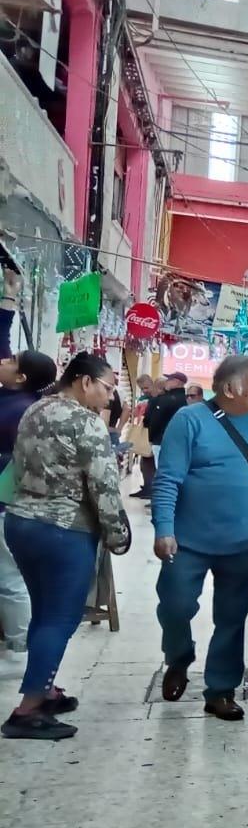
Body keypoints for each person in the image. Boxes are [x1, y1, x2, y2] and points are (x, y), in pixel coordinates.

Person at [2, 353, 130, 740]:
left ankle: (45, 688)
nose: (110, 397)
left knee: (44, 612)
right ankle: (28, 710)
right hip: (64, 530)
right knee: (61, 617)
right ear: (84, 381)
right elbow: (104, 485)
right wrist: (118, 535)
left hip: (21, 521)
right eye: (107, 387)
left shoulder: (33, 410)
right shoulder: (86, 422)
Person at [154, 355, 248, 722]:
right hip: (187, 541)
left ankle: (221, 690)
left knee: (232, 618)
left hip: (241, 542)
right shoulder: (189, 420)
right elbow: (167, 479)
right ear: (229, 388)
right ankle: (178, 657)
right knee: (175, 607)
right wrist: (164, 529)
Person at [0, 271, 56, 655]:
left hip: (8, 504)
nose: (4, 360)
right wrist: (9, 298)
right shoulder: (17, 398)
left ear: (20, 376)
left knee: (9, 576)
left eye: (12, 361)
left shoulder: (20, 411)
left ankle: (20, 646)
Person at [138, 372, 189, 502]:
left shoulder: (166, 400)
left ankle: (162, 500)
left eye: (170, 379)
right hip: (178, 442)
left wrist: (151, 438)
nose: (167, 381)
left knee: (162, 472)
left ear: (177, 382)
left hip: (161, 441)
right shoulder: (185, 400)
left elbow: (155, 420)